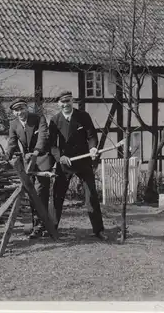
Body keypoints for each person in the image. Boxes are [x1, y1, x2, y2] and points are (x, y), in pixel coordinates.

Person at [48, 90, 107, 240]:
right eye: (62, 102)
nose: (65, 104)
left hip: (83, 161)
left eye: (68, 100)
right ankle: (52, 229)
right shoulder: (55, 120)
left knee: (91, 195)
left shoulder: (83, 116)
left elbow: (92, 136)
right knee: (57, 196)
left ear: (72, 101)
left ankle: (99, 230)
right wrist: (60, 157)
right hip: (65, 163)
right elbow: (52, 145)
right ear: (58, 104)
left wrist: (93, 148)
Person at [5, 98, 54, 239]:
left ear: (27, 108)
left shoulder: (38, 118)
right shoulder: (13, 124)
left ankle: (41, 226)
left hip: (41, 159)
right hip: (28, 163)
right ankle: (37, 225)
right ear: (14, 112)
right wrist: (7, 155)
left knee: (40, 193)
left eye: (22, 109)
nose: (19, 112)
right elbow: (12, 141)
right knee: (31, 194)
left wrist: (37, 151)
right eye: (16, 110)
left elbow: (43, 136)